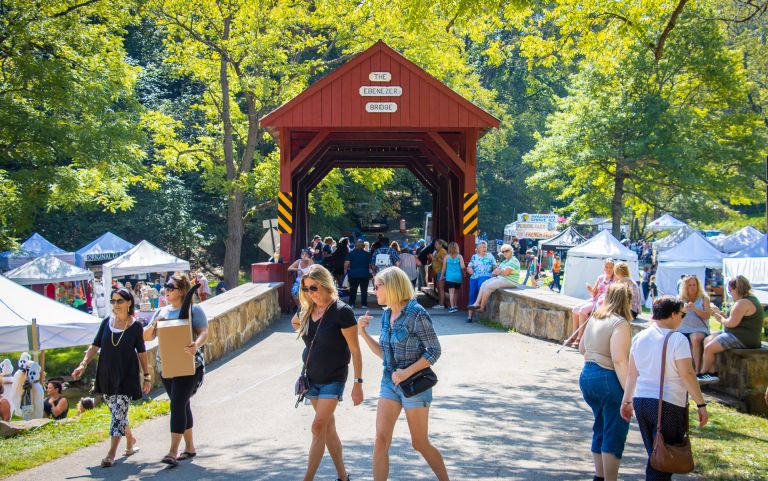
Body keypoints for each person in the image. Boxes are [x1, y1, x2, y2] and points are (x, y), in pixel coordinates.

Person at [357, 267, 448, 481]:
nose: (374, 290)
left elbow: (434, 350)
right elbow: (385, 354)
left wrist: (407, 372)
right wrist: (362, 333)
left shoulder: (417, 313)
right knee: (380, 440)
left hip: (414, 386)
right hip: (389, 383)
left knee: (420, 443)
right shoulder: (387, 313)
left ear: (391, 286)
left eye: (377, 286)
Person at [620, 296, 709, 481]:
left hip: (642, 402)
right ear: (674, 314)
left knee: (657, 456)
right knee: (662, 461)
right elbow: (687, 374)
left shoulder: (639, 337)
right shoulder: (677, 339)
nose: (682, 318)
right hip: (667, 404)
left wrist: (627, 400)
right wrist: (701, 404)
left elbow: (632, 374)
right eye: (682, 314)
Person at [290, 264, 363, 481]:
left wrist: (358, 383)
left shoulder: (342, 312)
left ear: (326, 284)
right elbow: (296, 323)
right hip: (312, 377)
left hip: (334, 378)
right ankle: (343, 476)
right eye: (306, 289)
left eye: (314, 288)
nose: (310, 293)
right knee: (328, 428)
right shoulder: (307, 310)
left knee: (317, 426)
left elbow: (355, 350)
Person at [71, 287, 150, 467]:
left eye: (119, 301)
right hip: (106, 373)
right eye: (113, 301)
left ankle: (111, 453)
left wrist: (146, 376)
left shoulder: (136, 326)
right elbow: (95, 344)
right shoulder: (107, 321)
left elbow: (142, 352)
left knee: (118, 413)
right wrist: (83, 364)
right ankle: (130, 439)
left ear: (129, 302)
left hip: (126, 375)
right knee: (117, 413)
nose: (116, 305)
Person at [143, 273, 208, 467]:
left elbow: (203, 332)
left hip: (190, 367)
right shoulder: (161, 311)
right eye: (166, 287)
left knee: (177, 405)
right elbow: (146, 337)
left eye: (170, 287)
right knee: (182, 404)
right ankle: (190, 447)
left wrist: (195, 344)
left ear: (181, 290)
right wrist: (156, 322)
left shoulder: (194, 310)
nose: (166, 290)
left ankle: (173, 451)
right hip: (167, 367)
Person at [578, 283, 633, 481]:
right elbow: (619, 359)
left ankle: (599, 476)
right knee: (614, 431)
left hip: (587, 375)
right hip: (608, 378)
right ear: (627, 300)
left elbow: (582, 349)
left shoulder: (595, 317)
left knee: (600, 426)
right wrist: (629, 395)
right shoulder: (620, 323)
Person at [698, 275, 765, 383]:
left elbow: (731, 323)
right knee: (707, 339)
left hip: (742, 338)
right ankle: (712, 372)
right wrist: (720, 314)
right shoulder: (749, 300)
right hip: (739, 334)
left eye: (730, 291)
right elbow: (734, 320)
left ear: (735, 289)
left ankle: (703, 373)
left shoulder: (742, 303)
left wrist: (720, 319)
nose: (730, 293)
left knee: (709, 348)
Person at [570, 259, 615, 347]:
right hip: (595, 299)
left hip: (602, 302)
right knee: (575, 309)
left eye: (610, 267)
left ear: (614, 268)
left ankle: (580, 338)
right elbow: (594, 292)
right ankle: (574, 335)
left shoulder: (614, 280)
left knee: (583, 311)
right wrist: (590, 289)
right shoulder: (601, 277)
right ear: (604, 268)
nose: (608, 269)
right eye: (606, 267)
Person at [467, 243, 520, 313]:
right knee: (484, 284)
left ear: (511, 251)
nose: (505, 253)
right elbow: (497, 270)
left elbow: (506, 273)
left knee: (488, 287)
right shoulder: (505, 261)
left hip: (509, 280)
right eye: (503, 252)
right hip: (501, 278)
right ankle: (476, 303)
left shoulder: (513, 260)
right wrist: (496, 272)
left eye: (506, 251)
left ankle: (481, 307)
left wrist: (498, 271)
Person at [677, 275, 711, 374]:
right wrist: (684, 311)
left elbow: (707, 316)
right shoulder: (680, 299)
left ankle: (696, 370)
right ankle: (681, 370)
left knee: (695, 338)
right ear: (685, 287)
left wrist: (695, 309)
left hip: (699, 328)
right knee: (675, 339)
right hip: (683, 328)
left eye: (694, 285)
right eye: (690, 285)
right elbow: (677, 318)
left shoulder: (704, 298)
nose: (692, 287)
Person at [466, 241, 498, 322]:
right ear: (478, 249)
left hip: (486, 275)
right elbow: (469, 266)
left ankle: (481, 305)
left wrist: (495, 272)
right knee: (472, 294)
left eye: (485, 247)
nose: (484, 248)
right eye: (482, 247)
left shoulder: (490, 256)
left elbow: (495, 266)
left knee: (481, 284)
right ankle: (469, 317)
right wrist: (470, 271)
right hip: (474, 276)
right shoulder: (474, 257)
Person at [346, 239, 372, 308]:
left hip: (353, 274)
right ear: (363, 246)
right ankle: (364, 304)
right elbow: (371, 265)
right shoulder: (367, 254)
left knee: (353, 290)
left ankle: (352, 304)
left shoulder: (351, 253)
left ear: (355, 246)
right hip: (364, 274)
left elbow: (347, 263)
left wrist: (345, 271)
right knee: (364, 290)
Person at [441, 241, 465, 313]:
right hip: (458, 277)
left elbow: (444, 268)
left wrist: (442, 275)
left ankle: (452, 307)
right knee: (456, 292)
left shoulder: (446, 257)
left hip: (450, 277)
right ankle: (455, 305)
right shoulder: (460, 256)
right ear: (457, 248)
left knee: (451, 293)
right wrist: (464, 273)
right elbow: (463, 267)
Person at [430, 240, 447, 309]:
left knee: (441, 288)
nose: (435, 246)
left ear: (441, 245)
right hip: (437, 271)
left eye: (436, 244)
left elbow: (445, 262)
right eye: (435, 244)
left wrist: (437, 258)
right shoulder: (436, 251)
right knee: (439, 288)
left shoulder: (443, 251)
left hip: (441, 271)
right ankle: (440, 303)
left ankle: (441, 304)